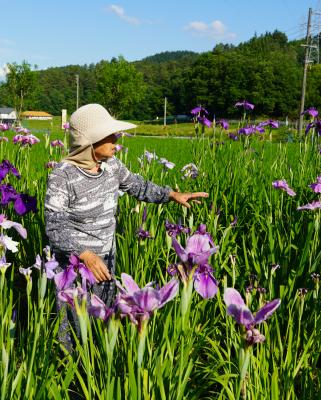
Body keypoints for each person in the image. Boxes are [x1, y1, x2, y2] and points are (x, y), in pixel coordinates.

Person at [44, 103, 208, 349]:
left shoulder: (112, 167)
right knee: (74, 329)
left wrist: (172, 195)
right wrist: (85, 255)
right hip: (76, 266)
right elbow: (54, 225)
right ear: (90, 141)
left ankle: (98, 373)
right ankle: (70, 378)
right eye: (109, 134)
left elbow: (138, 186)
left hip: (107, 261)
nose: (116, 138)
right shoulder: (63, 175)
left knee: (103, 325)